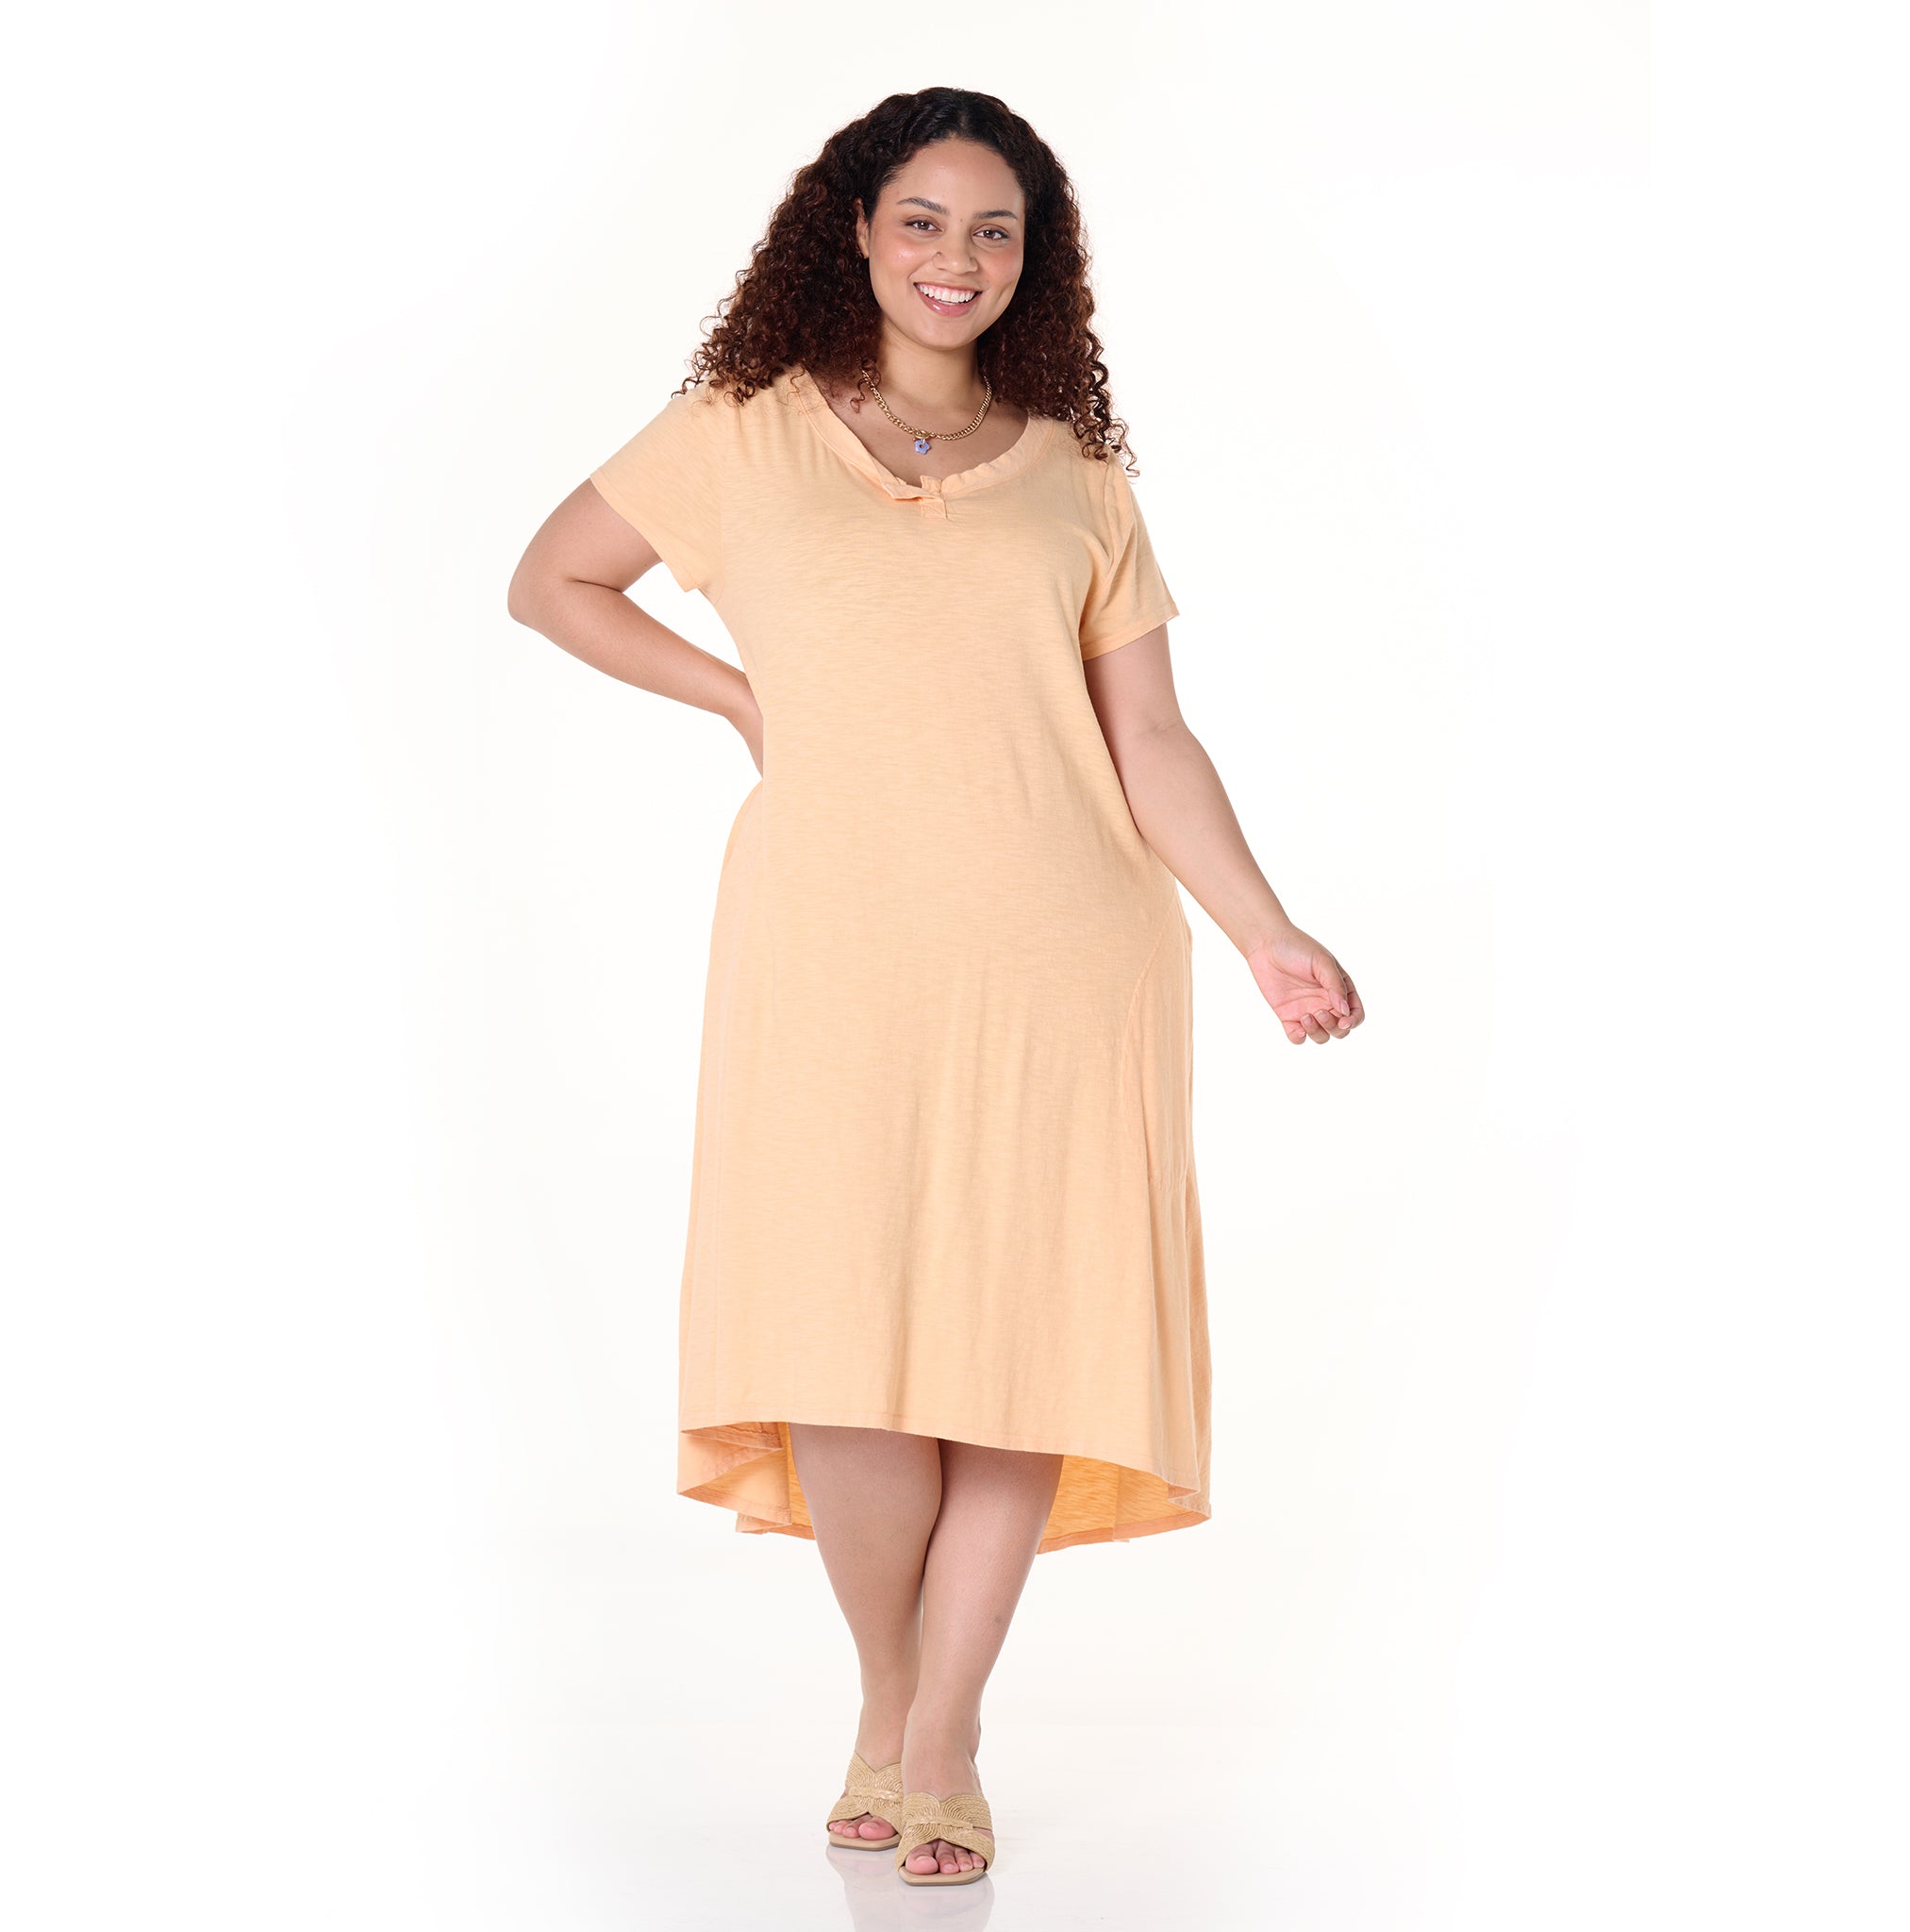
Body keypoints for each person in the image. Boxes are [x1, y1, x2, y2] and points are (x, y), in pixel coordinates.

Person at [507, 86, 1364, 1889]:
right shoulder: (739, 430)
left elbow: (1150, 739)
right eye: (922, 219)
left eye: (995, 230)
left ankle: (946, 1738)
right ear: (855, 228)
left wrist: (1263, 928)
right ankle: (890, 1696)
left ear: (1033, 260)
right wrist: (742, 700)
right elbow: (554, 579)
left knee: (1020, 1350)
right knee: (848, 1355)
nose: (955, 258)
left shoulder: (1075, 474)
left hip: (1068, 958)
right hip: (828, 953)